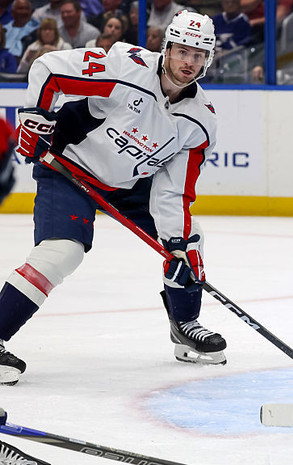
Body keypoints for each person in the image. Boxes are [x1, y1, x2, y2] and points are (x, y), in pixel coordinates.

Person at [0, 10, 225, 386]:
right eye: (183, 51)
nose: (190, 62)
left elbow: (173, 190)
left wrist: (176, 247)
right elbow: (49, 69)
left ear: (209, 60)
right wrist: (36, 117)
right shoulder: (126, 68)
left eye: (199, 55)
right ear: (167, 48)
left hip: (128, 185)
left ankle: (184, 323)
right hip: (69, 166)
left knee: (188, 239)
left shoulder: (200, 121)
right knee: (62, 252)